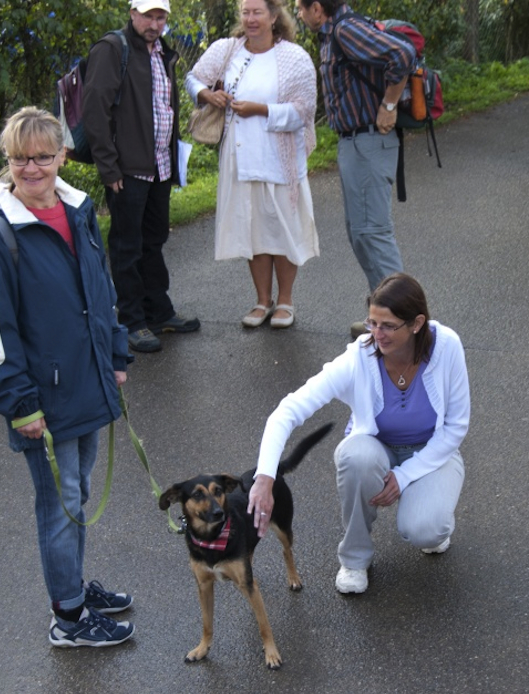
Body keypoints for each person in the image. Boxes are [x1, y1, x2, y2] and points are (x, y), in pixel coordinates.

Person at [0, 107, 135, 647]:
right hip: (42, 400)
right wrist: (19, 405)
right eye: (20, 158)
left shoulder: (78, 210)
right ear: (8, 161)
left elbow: (101, 290)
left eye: (42, 156)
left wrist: (116, 352)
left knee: (78, 493)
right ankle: (68, 618)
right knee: (60, 506)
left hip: (88, 381)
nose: (31, 168)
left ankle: (74, 587)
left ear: (62, 156)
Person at [248, 273, 470, 594]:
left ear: (417, 323)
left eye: (388, 326)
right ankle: (354, 558)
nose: (376, 334)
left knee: (427, 531)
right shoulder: (359, 356)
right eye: (372, 323)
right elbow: (287, 411)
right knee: (355, 457)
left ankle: (432, 517)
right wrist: (264, 478)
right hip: (375, 448)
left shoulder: (447, 346)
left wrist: (404, 476)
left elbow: (456, 426)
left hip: (433, 449)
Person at [186, 0, 319, 329]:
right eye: (245, 12)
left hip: (280, 158)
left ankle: (285, 300)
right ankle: (262, 300)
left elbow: (303, 111)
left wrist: (260, 109)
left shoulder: (294, 57)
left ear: (274, 16)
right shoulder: (227, 49)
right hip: (240, 156)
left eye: (257, 12)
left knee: (282, 228)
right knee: (254, 229)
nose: (250, 19)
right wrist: (207, 95)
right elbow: (193, 79)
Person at [82, 0, 200, 354]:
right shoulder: (112, 49)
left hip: (159, 166)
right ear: (133, 13)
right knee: (127, 246)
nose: (154, 23)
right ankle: (132, 321)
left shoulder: (163, 52)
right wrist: (108, 167)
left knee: (154, 241)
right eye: (148, 15)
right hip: (127, 169)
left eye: (160, 16)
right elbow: (95, 110)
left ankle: (159, 312)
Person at [295, 0, 416, 338]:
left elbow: (403, 54)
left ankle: (404, 323)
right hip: (355, 142)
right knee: (360, 233)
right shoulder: (334, 33)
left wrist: (389, 104)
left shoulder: (346, 29)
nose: (299, 15)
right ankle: (385, 317)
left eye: (301, 8)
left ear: (317, 8)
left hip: (368, 141)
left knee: (372, 233)